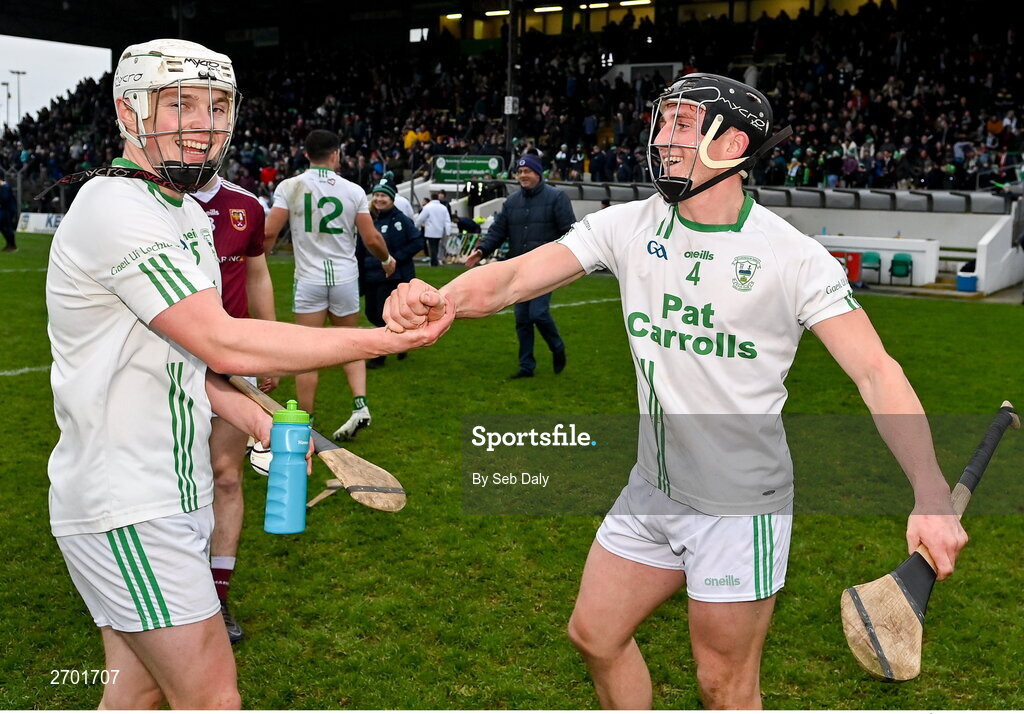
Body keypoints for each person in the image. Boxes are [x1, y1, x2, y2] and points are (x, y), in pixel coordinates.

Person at [383, 73, 967, 709]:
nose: (661, 139)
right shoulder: (629, 226)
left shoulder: (792, 257)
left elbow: (876, 371)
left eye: (681, 125)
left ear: (734, 143)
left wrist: (931, 491)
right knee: (595, 635)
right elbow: (514, 277)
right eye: (661, 124)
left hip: (739, 506)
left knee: (724, 685)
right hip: (653, 485)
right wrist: (439, 298)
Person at [45, 39, 452, 710]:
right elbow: (223, 342)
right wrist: (380, 338)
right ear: (129, 111)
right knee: (213, 697)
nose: (203, 122)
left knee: (136, 691)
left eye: (217, 105)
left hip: (162, 493)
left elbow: (183, 358)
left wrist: (252, 415)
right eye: (179, 104)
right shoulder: (115, 209)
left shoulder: (183, 215)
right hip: (131, 503)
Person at [265, 129, 397, 441]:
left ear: (306, 154)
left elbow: (270, 231)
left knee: (307, 351)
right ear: (336, 154)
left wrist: (256, 256)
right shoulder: (353, 190)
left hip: (309, 278)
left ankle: (306, 422)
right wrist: (387, 259)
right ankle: (360, 405)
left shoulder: (290, 186)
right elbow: (371, 238)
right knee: (350, 341)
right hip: (344, 278)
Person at [192, 173, 277, 645]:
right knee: (171, 476)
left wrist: (267, 345)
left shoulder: (245, 204)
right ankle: (171, 591)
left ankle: (217, 597)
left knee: (226, 475)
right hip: (163, 362)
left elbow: (257, 273)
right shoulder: (149, 202)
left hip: (231, 361)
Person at [465, 154, 574, 379]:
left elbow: (570, 232)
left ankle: (557, 346)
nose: (523, 175)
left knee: (538, 313)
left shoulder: (556, 198)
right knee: (522, 319)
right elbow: (498, 230)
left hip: (546, 268)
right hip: (518, 269)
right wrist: (482, 250)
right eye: (520, 172)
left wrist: (567, 261)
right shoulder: (511, 202)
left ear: (538, 173)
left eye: (528, 171)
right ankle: (526, 366)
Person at [360, 179, 422, 368]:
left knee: (381, 313)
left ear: (392, 199)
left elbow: (417, 242)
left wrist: (395, 258)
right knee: (371, 312)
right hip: (370, 274)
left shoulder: (401, 219)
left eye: (383, 196)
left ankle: (380, 355)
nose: (379, 199)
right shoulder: (368, 219)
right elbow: (361, 246)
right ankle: (401, 341)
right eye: (377, 195)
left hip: (391, 276)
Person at [414, 194, 452, 266]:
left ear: (431, 198)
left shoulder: (428, 207)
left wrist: (415, 226)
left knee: (432, 246)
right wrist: (448, 231)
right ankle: (435, 260)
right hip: (439, 230)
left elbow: (420, 218)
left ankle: (434, 262)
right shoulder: (443, 208)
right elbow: (447, 220)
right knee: (436, 246)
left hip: (430, 230)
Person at [0, 176, 18, 252]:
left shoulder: (5, 187)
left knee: (8, 228)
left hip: (8, 210)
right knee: (3, 227)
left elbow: (4, 199)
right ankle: (9, 244)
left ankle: (12, 245)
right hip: (4, 210)